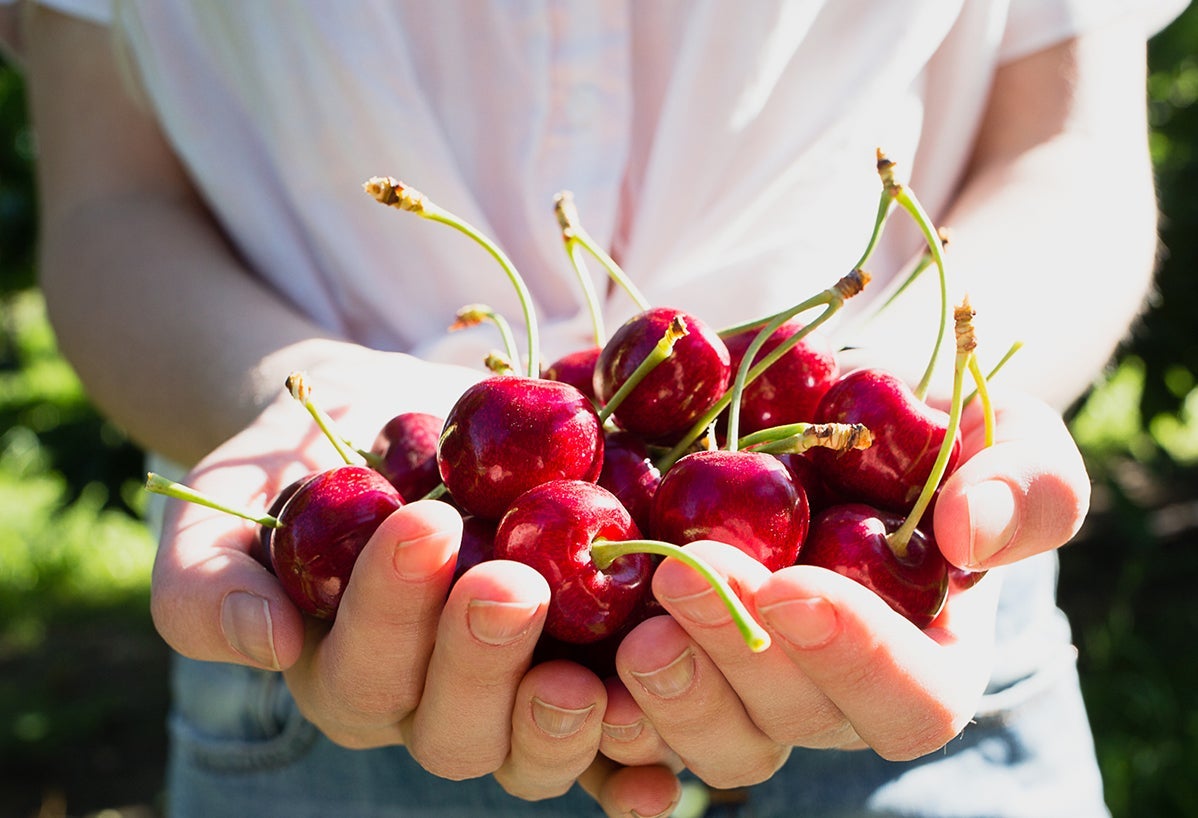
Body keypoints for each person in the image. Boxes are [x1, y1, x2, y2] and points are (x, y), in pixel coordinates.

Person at [3, 1, 1187, 816]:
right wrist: (288, 394)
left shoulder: (830, 476)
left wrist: (920, 403)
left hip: (901, 628)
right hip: (335, 635)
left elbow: (1066, 153)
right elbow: (113, 204)